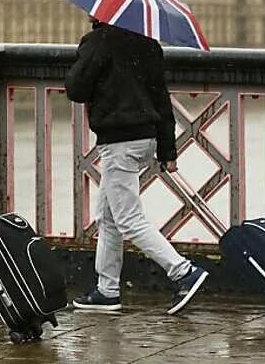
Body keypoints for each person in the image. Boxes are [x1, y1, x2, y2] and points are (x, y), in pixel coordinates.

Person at [65, 18, 208, 316]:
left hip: (119, 141)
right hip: (146, 138)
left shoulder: (99, 42)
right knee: (108, 217)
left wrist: (87, 51)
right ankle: (107, 290)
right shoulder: (148, 44)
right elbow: (161, 99)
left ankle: (183, 270)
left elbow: (76, 89)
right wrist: (169, 150)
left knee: (129, 219)